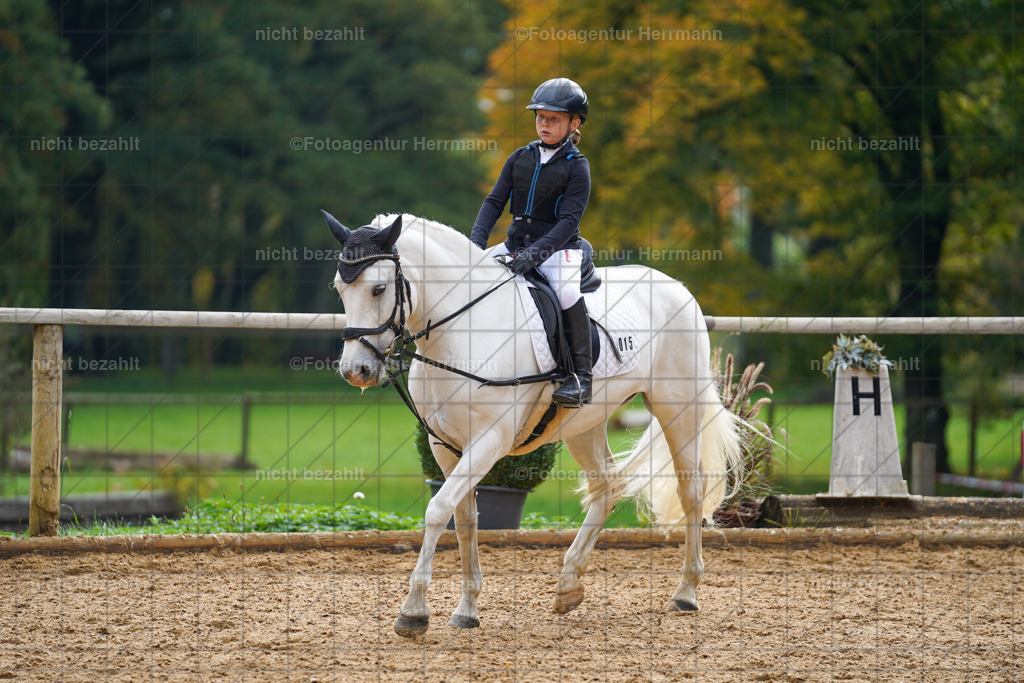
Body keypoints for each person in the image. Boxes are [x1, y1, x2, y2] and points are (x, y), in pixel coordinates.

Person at [470, 78, 593, 406]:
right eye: (541, 117)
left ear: (574, 123)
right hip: (514, 246)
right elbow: (494, 203)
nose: (545, 124)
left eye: (554, 119)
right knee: (469, 276)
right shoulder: (520, 158)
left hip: (559, 249)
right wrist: (475, 245)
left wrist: (535, 255)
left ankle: (581, 377)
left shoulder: (577, 167)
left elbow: (569, 222)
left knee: (567, 293)